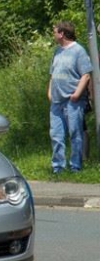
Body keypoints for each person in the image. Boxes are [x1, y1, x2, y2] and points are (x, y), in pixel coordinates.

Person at [48, 20, 92, 174]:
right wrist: (49, 92)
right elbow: (52, 74)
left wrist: (77, 94)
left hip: (72, 101)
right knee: (56, 134)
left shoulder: (79, 50)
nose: (53, 34)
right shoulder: (57, 51)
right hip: (56, 101)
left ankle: (75, 166)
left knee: (75, 133)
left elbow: (86, 75)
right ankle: (58, 167)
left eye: (54, 31)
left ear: (62, 33)